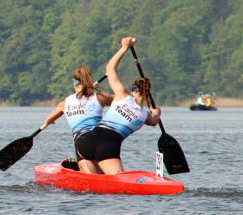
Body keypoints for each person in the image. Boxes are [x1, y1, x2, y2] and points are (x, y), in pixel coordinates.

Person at [75, 37, 161, 175]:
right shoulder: (145, 116)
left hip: (86, 143)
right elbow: (155, 121)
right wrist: (157, 112)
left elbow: (110, 68)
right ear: (147, 96)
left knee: (92, 182)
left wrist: (124, 47)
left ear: (133, 91)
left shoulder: (122, 95)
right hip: (108, 148)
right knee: (118, 184)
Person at [41, 65, 113, 173]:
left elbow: (48, 120)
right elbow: (123, 101)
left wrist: (49, 121)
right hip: (103, 139)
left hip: (83, 142)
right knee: (107, 170)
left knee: (86, 169)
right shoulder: (99, 97)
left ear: (74, 84)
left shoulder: (65, 103)